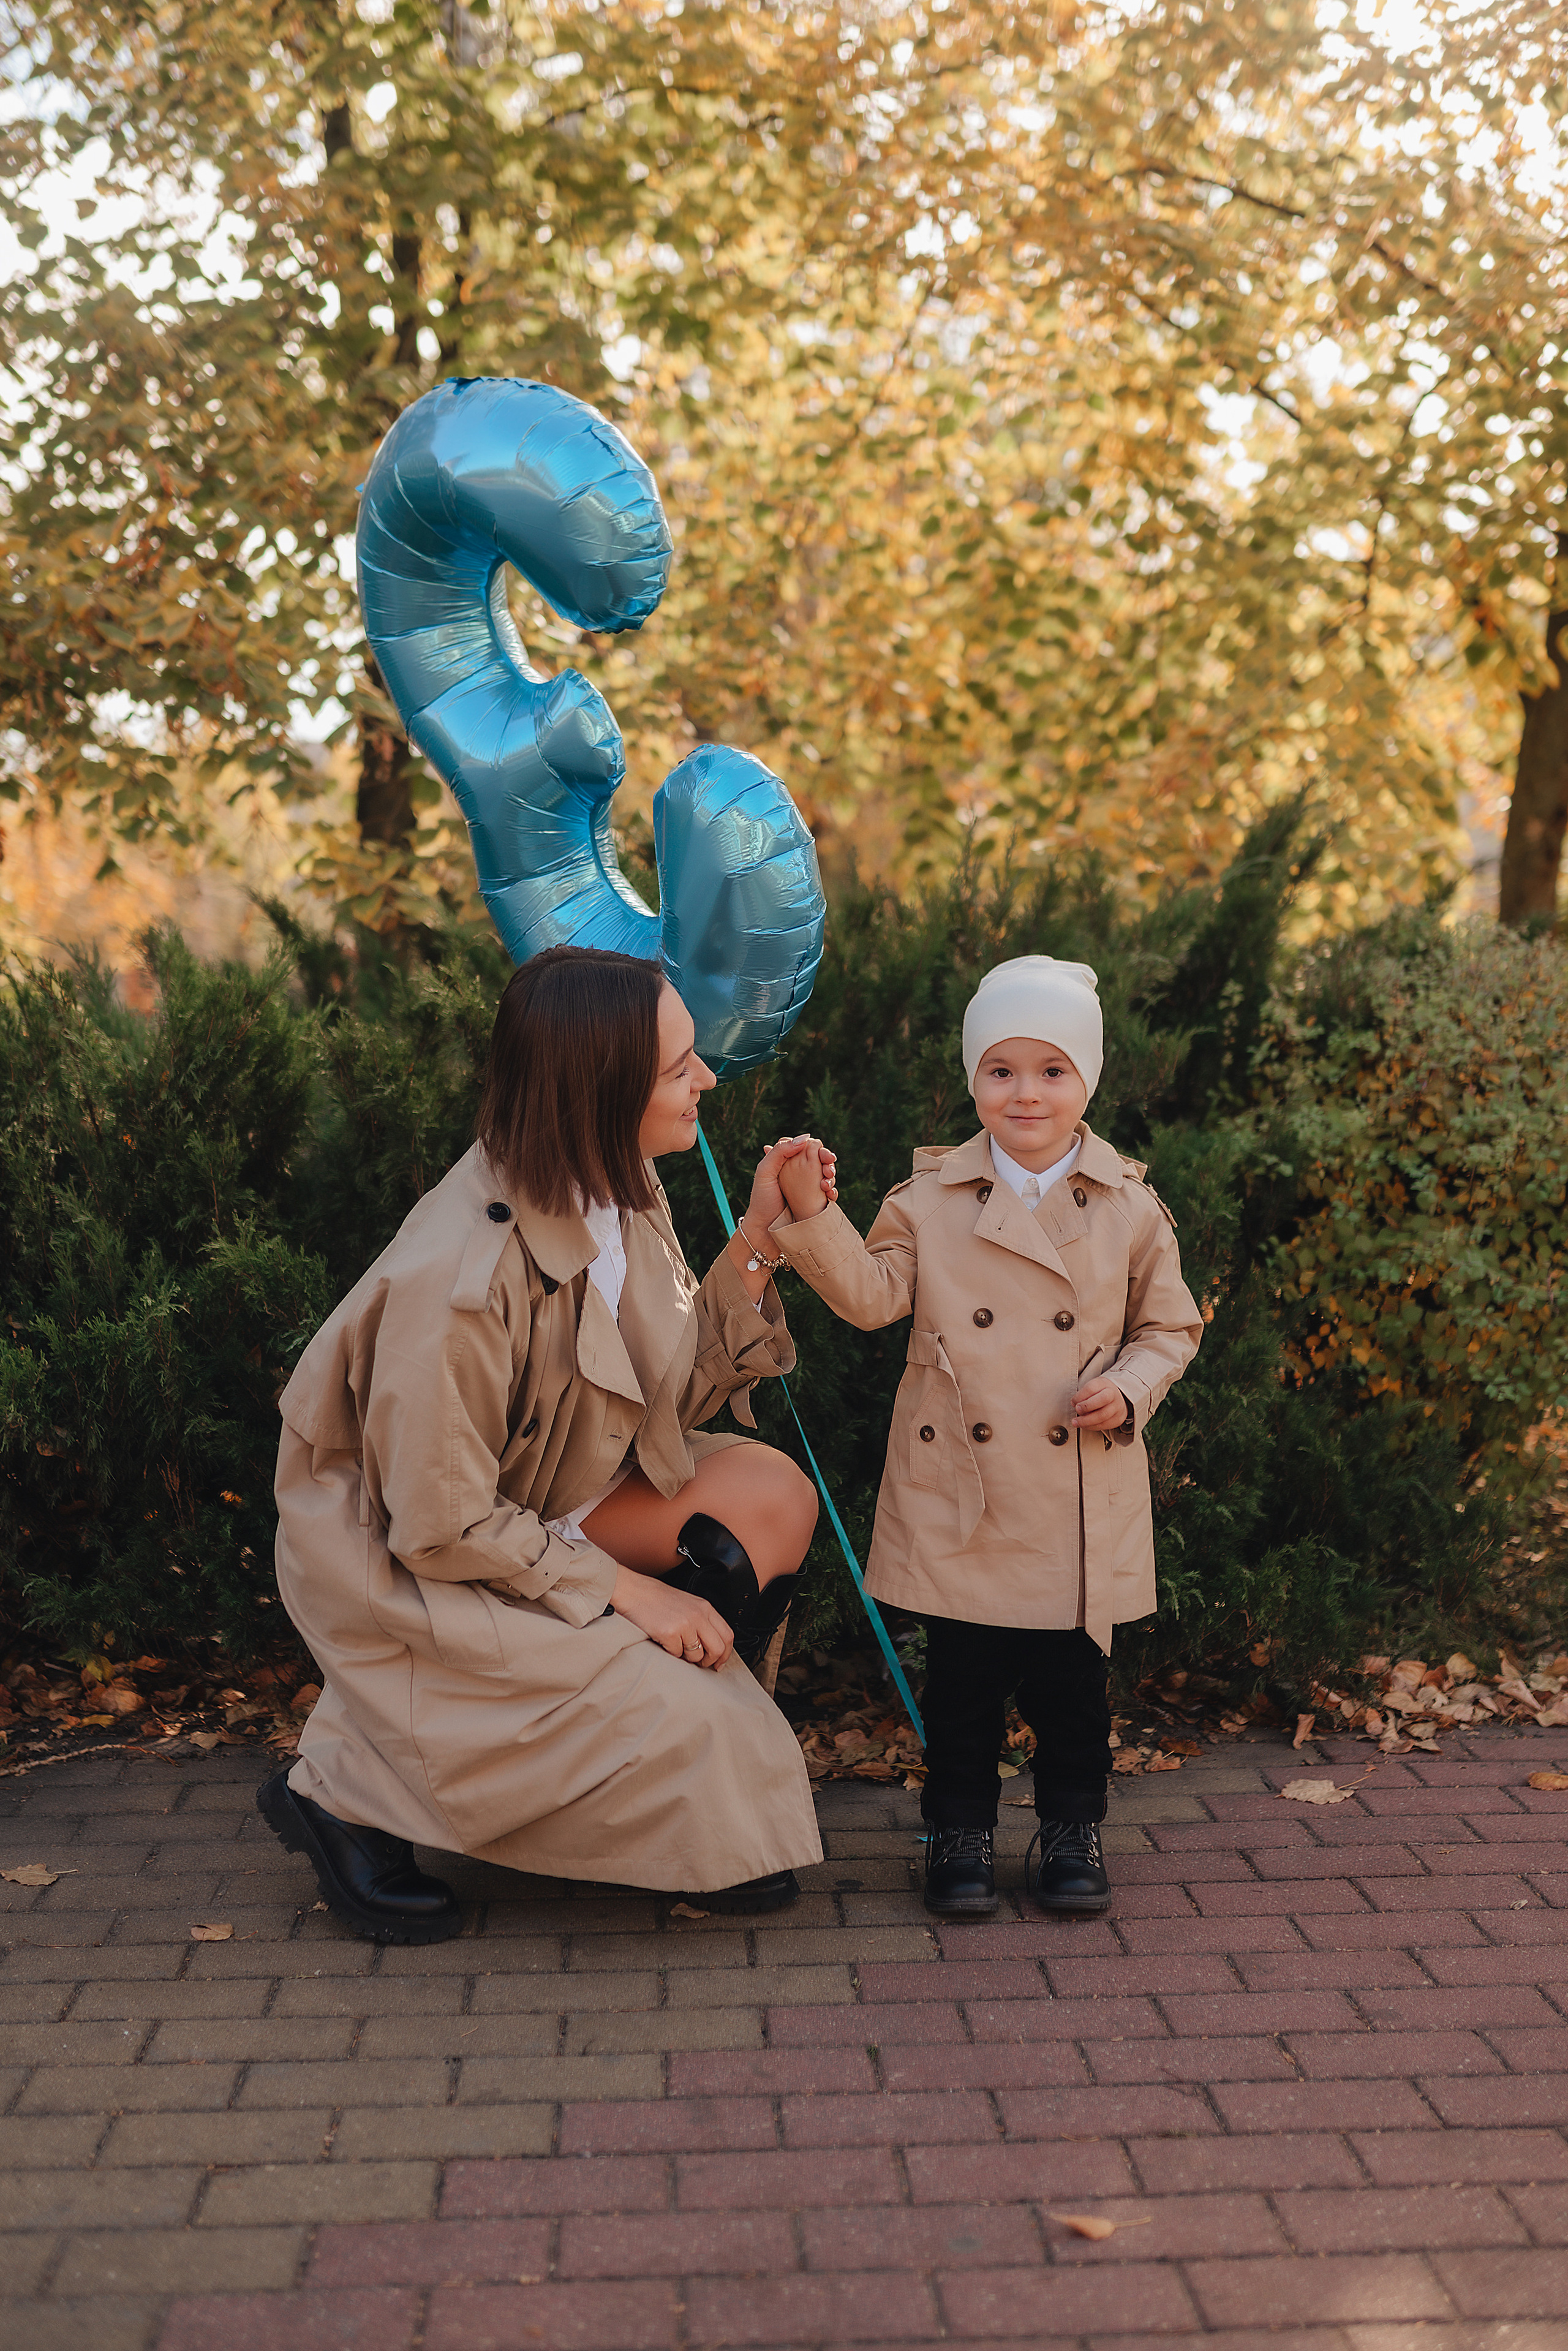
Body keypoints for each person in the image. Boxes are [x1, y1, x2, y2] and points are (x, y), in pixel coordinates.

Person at [258, 945, 831, 1943]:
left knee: (771, 1495)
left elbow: (658, 1397)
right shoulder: (461, 1276)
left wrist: (761, 1238)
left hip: (544, 1498)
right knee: (705, 1734)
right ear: (599, 1090)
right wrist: (630, 1592)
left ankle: (665, 1746)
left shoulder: (622, 1187)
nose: (705, 1078)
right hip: (416, 1555)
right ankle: (345, 1792)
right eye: (678, 1066)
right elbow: (435, 1520)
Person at [770, 956, 1202, 1919]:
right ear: (973, 1080)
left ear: (1087, 1079)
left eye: (1052, 1069)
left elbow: (1169, 1327)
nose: (1026, 1091)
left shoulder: (1127, 1205)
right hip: (960, 1489)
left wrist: (1129, 1391)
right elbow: (875, 1297)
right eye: (1001, 1068)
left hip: (1073, 1492)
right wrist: (813, 1214)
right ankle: (957, 1833)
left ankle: (1071, 1832)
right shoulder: (930, 1197)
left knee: (1072, 1697)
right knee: (961, 1692)